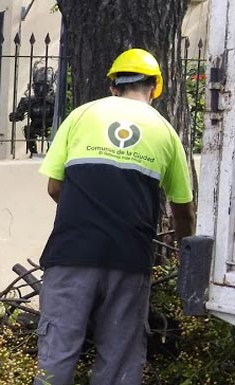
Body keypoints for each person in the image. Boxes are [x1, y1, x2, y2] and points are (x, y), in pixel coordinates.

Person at [34, 48, 195, 385]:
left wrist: (88, 213)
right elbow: (182, 210)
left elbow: (54, 187)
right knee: (119, 356)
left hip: (71, 253)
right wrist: (185, 256)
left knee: (57, 353)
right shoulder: (166, 132)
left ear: (113, 86)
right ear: (153, 88)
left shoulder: (80, 116)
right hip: (129, 259)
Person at [10, 67, 57, 157]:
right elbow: (19, 115)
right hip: (35, 125)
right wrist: (15, 115)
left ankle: (51, 151)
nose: (40, 89)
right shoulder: (28, 101)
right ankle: (33, 152)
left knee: (53, 133)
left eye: (44, 86)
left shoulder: (55, 100)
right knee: (28, 130)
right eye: (38, 86)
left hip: (50, 126)